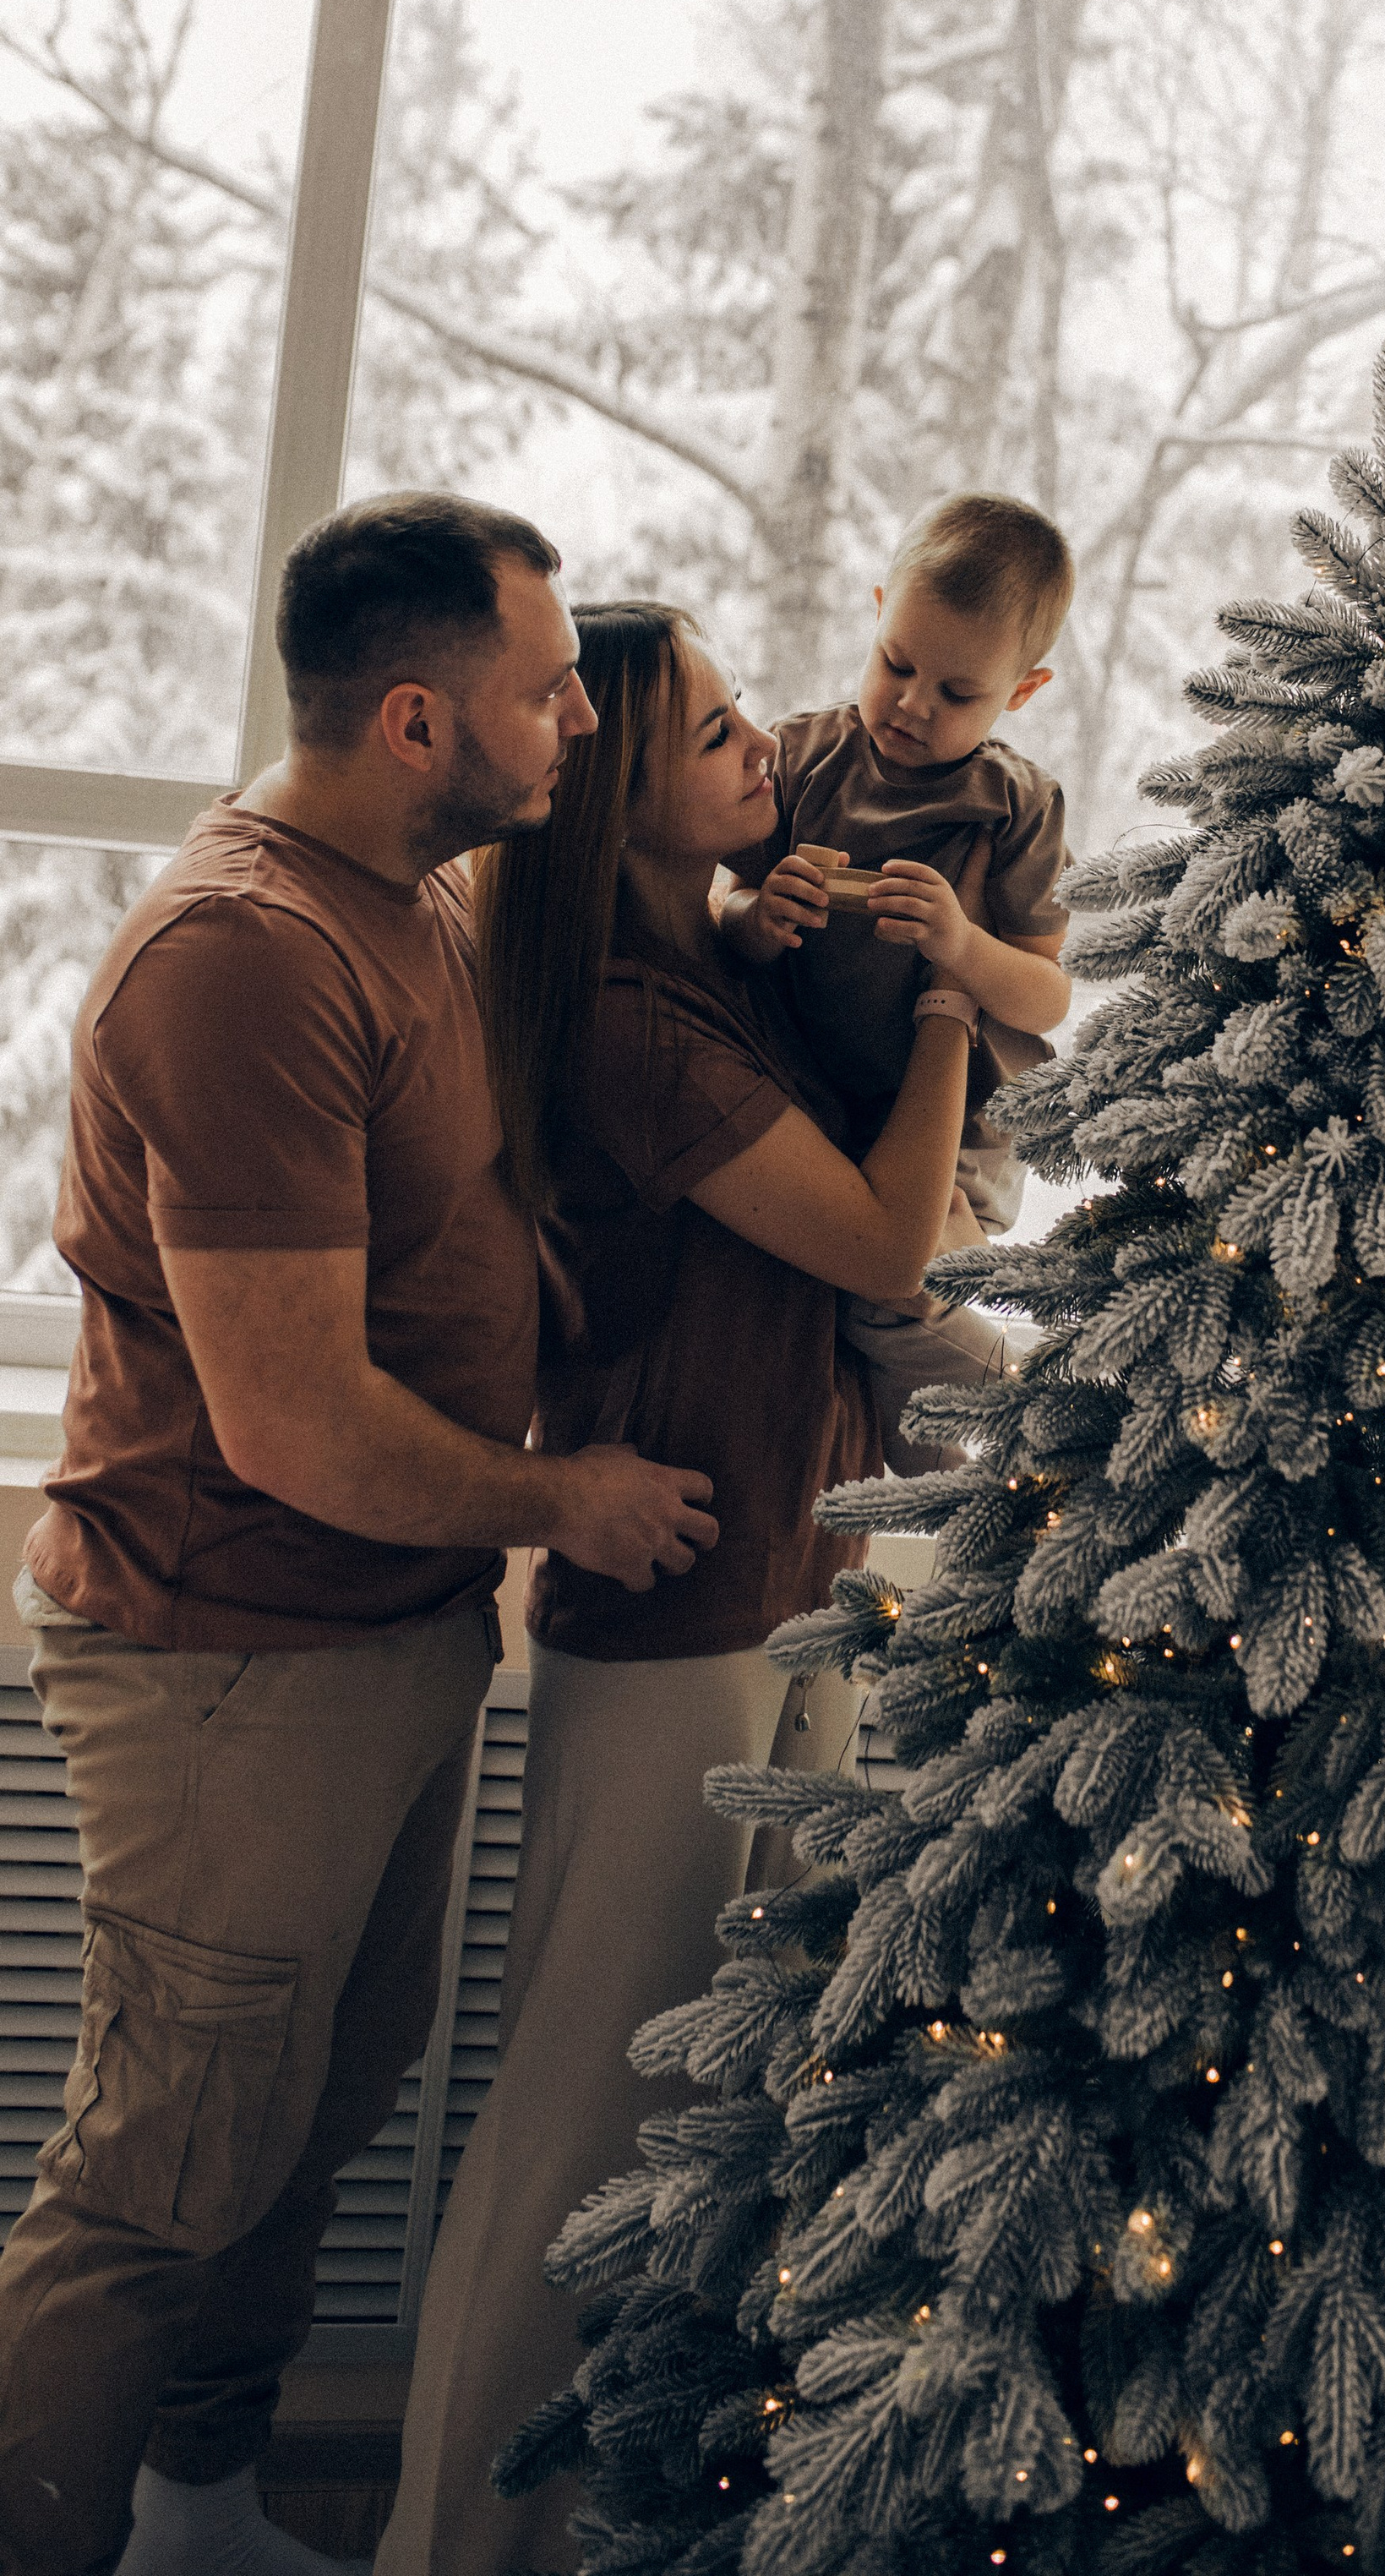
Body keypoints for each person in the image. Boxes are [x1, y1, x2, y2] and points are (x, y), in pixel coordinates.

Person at [0, 495, 717, 2576]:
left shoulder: (416, 902)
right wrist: (565, 1498)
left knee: (308, 2118)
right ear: (416, 720)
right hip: (234, 1662)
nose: (581, 721)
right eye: (545, 691)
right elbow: (294, 1420)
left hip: (385, 1629)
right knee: (160, 2177)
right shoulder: (245, 960)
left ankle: (194, 2512)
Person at [375, 602, 987, 2576]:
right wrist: (958, 1006)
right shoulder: (635, 1026)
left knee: (706, 2118)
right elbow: (886, 1238)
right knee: (581, 2122)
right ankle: (451, 2548)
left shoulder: (712, 976)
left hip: (786, 1585)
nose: (766, 749)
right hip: (676, 1623)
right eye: (717, 732)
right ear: (620, 796)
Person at [722, 492, 1074, 1457]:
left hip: (954, 1139)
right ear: (878, 613)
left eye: (957, 694)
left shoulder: (1015, 804)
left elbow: (1047, 995)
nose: (913, 705)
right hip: (817, 1113)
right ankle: (933, 1474)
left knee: (895, 1305)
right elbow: (721, 912)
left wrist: (962, 946)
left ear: (1023, 692)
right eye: (897, 664)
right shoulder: (803, 756)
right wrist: (759, 915)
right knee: (836, 1320)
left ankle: (1041, 1412)